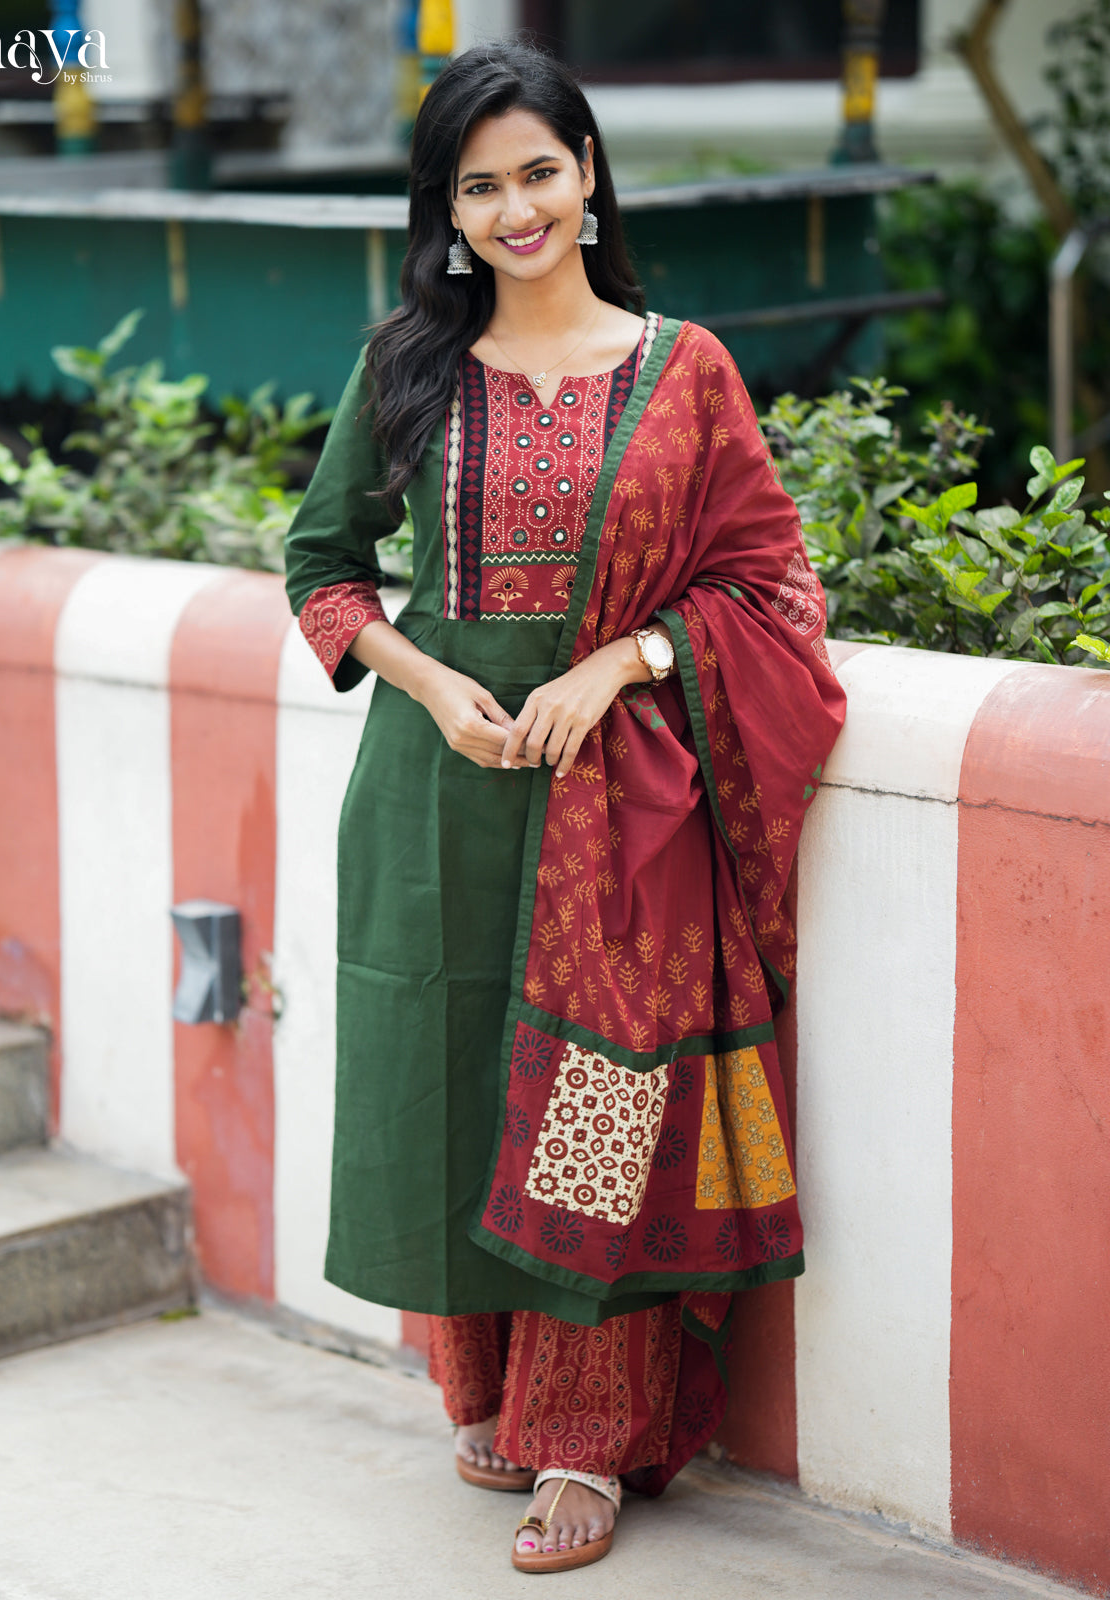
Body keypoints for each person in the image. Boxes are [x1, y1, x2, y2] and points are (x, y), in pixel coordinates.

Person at [284, 38, 845, 1574]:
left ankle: (587, 1446)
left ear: (589, 175)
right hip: (438, 792)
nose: (516, 207)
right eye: (481, 186)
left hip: (627, 805)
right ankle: (486, 1394)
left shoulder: (687, 370)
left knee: (601, 1104)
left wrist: (625, 661)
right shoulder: (407, 362)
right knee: (455, 1082)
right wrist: (425, 680)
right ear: (448, 210)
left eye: (540, 171)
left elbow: (776, 582)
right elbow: (321, 571)